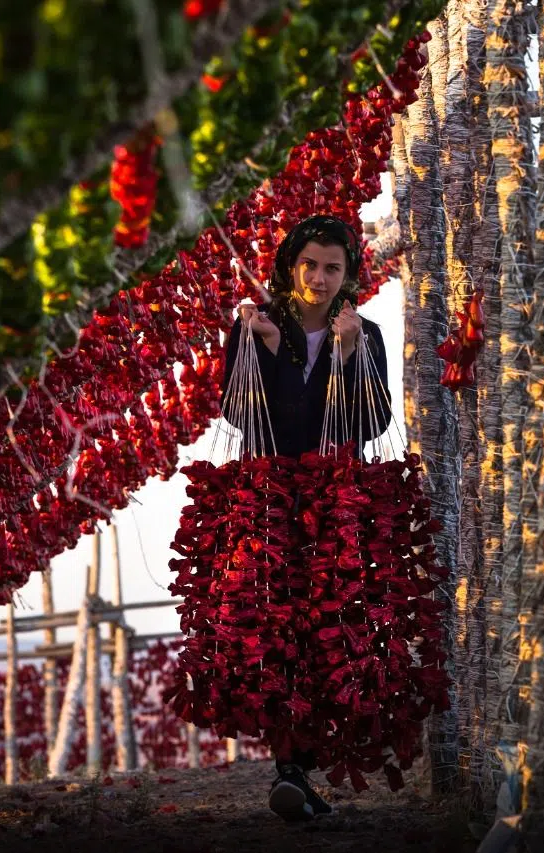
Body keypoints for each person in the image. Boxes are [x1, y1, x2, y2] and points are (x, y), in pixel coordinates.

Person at [219, 214, 393, 821]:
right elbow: (245, 416)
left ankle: (302, 768)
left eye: (333, 268)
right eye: (310, 265)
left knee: (335, 631)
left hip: (337, 507)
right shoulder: (254, 329)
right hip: (273, 505)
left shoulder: (363, 335)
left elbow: (370, 422)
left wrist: (346, 354)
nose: (319, 279)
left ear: (349, 276)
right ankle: (290, 768)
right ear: (290, 266)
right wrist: (268, 350)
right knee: (280, 631)